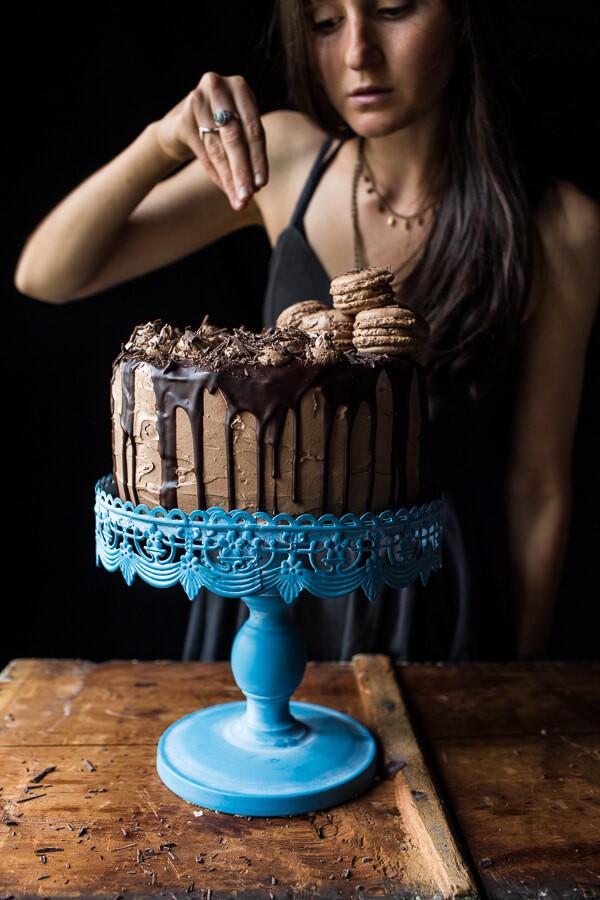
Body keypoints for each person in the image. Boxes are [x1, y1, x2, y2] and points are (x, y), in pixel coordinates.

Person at [15, 0, 599, 663]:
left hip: (429, 596)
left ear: (462, 18)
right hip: (261, 585)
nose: (357, 53)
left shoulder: (557, 225)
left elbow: (539, 486)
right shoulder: (289, 158)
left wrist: (519, 672)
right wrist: (162, 142)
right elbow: (48, 273)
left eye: (392, 10)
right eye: (326, 22)